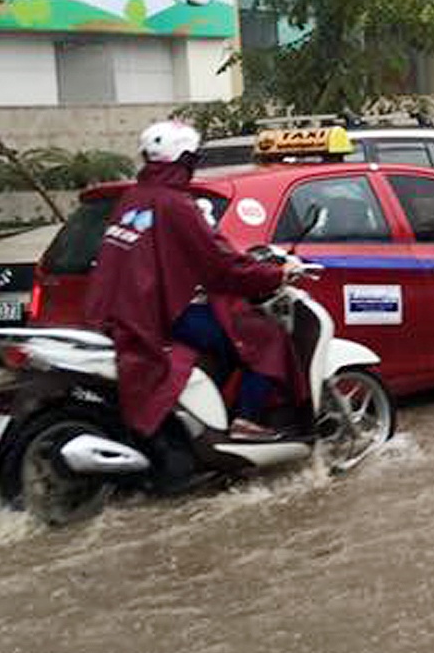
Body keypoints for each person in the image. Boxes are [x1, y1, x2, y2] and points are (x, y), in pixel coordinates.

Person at [84, 120, 304, 441]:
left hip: (117, 310)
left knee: (221, 339)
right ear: (186, 160)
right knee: (264, 338)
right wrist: (275, 274)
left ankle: (204, 419)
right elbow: (220, 264)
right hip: (153, 314)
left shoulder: (134, 197)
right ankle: (247, 420)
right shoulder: (175, 204)